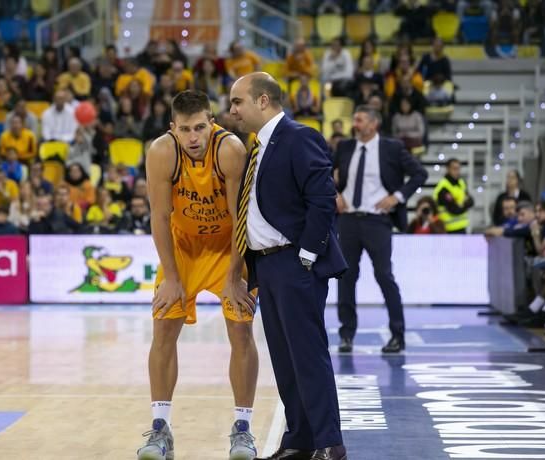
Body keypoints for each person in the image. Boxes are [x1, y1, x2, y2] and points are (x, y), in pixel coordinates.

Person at [229, 73, 348, 460]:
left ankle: (329, 442)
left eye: (237, 102)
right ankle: (299, 438)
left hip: (296, 263)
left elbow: (322, 200)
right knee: (284, 357)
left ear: (263, 101)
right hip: (269, 267)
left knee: (308, 354)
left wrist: (307, 256)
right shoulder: (258, 146)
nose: (231, 110)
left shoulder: (299, 136)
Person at [137, 90, 258, 460]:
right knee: (163, 327)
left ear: (212, 122)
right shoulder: (161, 152)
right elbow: (158, 217)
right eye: (185, 129)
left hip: (228, 247)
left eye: (200, 128)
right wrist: (171, 277)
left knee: (240, 328)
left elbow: (241, 219)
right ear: (173, 128)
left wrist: (235, 275)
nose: (193, 137)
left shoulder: (230, 150)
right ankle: (160, 429)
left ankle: (243, 429)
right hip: (183, 247)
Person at [334, 105, 427, 354]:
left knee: (384, 276)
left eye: (360, 120)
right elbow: (323, 170)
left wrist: (397, 196)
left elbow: (420, 173)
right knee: (345, 278)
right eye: (354, 119)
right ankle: (346, 335)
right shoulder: (344, 147)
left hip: (378, 221)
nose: (355, 124)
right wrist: (335, 194)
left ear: (373, 124)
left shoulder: (392, 148)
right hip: (348, 220)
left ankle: (398, 335)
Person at [433, 158, 474, 233]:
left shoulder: (461, 183)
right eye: (454, 168)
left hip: (462, 227)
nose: (457, 171)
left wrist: (461, 205)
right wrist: (464, 204)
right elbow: (454, 209)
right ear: (448, 169)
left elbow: (471, 201)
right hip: (447, 229)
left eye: (458, 168)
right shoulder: (443, 187)